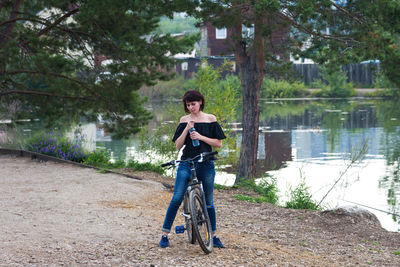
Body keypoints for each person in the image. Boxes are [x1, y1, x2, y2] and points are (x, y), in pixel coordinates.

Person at [159, 90, 226, 248]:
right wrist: (186, 129)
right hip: (186, 162)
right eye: (188, 105)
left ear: (200, 102)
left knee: (208, 201)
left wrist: (200, 137)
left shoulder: (210, 119)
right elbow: (178, 145)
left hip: (206, 163)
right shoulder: (184, 120)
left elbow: (218, 144)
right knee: (176, 198)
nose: (191, 107)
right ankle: (164, 235)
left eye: (193, 104)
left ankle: (214, 235)